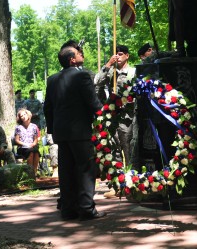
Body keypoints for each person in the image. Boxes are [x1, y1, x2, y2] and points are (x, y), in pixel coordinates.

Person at [44, 42, 105, 221]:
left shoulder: (52, 79)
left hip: (61, 134)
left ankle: (68, 210)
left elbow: (48, 108)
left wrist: (53, 130)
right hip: (80, 133)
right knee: (86, 169)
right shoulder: (82, 76)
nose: (81, 54)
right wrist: (106, 115)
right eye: (78, 53)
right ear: (72, 60)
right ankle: (86, 208)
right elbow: (93, 102)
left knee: (66, 171)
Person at [94, 44, 137, 176]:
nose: (118, 56)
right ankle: (119, 181)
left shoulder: (133, 72)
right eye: (116, 54)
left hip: (127, 117)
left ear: (127, 56)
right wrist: (108, 65)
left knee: (128, 148)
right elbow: (97, 82)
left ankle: (131, 179)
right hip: (111, 116)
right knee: (114, 151)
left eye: (121, 54)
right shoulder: (110, 73)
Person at [14, 108, 41, 177]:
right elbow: (16, 140)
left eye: (24, 114)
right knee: (31, 152)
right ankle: (30, 173)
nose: (23, 116)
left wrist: (33, 144)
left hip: (32, 146)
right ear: (20, 118)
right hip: (22, 147)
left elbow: (35, 139)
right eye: (21, 116)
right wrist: (25, 144)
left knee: (36, 152)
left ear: (28, 115)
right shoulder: (18, 128)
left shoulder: (34, 126)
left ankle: (34, 172)